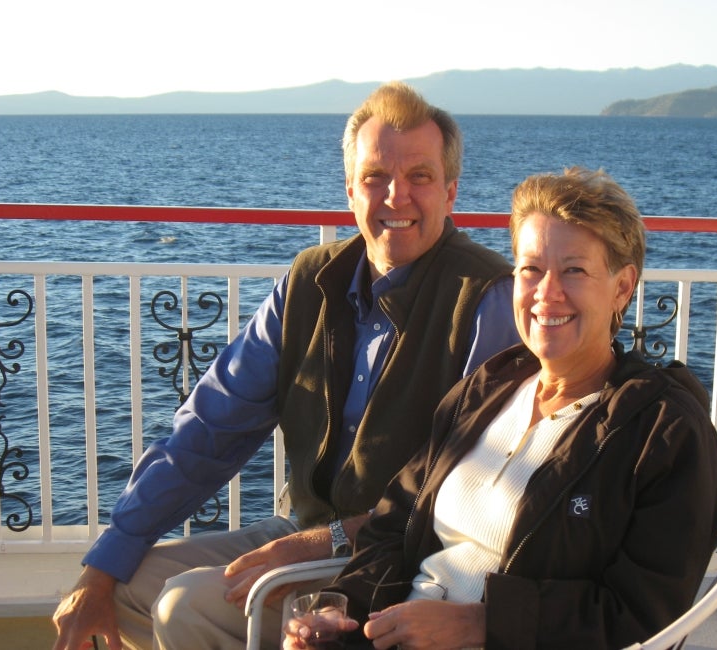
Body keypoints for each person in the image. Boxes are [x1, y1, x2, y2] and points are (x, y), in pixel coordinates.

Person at [52, 81, 521, 650]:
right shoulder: (309, 283)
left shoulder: (486, 297)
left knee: (184, 607)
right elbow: (208, 428)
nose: (396, 196)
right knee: (126, 585)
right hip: (305, 529)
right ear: (350, 189)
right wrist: (103, 565)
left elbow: (470, 490)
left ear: (451, 193)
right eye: (375, 177)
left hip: (401, 557)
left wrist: (324, 543)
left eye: (419, 177)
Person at [285, 167, 717, 650]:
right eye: (531, 269)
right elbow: (397, 519)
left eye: (574, 270)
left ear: (622, 287)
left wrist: (479, 623)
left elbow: (647, 615)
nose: (546, 292)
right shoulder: (492, 387)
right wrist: (340, 607)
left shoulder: (663, 432)